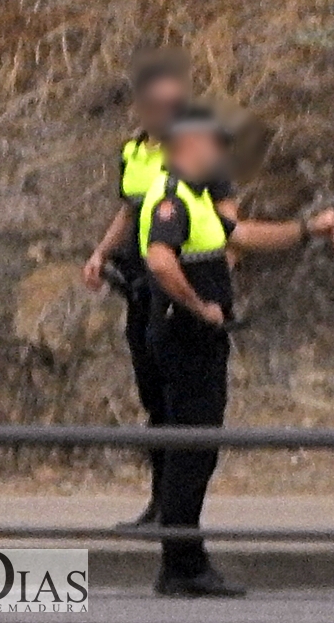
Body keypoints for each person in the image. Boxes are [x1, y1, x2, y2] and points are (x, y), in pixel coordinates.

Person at [139, 105, 334, 597]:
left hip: (198, 339)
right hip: (186, 337)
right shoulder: (170, 198)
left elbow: (241, 235)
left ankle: (184, 558)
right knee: (192, 450)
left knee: (197, 450)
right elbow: (160, 260)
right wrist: (199, 306)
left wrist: (306, 228)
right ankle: (182, 565)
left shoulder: (198, 197)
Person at [81, 51, 238, 529]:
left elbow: (228, 218)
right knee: (155, 400)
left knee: (184, 405)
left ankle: (178, 515)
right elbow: (129, 212)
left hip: (178, 288)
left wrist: (218, 270)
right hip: (140, 289)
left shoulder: (198, 155)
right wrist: (101, 253)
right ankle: (160, 504)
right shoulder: (135, 152)